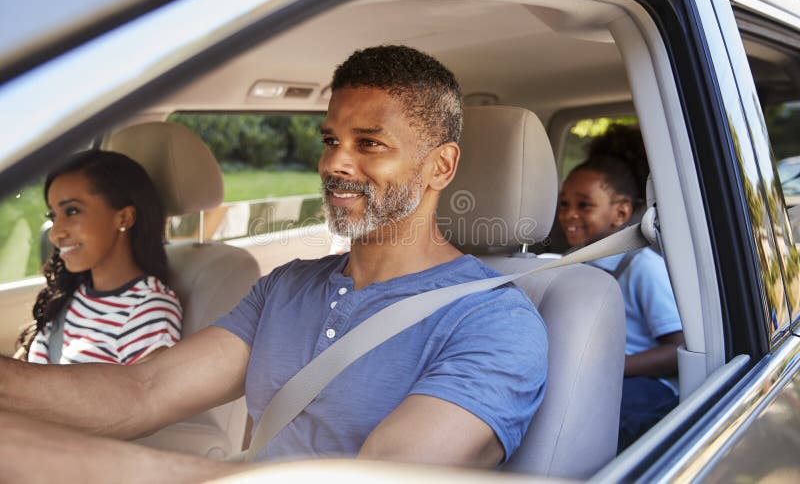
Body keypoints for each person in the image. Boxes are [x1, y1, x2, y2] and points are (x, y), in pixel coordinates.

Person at [0, 45, 547, 482]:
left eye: (369, 143)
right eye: (330, 139)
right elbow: (142, 391)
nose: (334, 161)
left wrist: (82, 465)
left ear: (440, 167)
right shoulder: (286, 286)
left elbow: (382, 476)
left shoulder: (494, 322)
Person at [556, 125, 683, 452]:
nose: (569, 215)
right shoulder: (567, 263)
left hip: (644, 385)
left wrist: (613, 368)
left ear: (622, 212)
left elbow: (677, 348)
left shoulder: (640, 267)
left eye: (584, 205)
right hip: (588, 377)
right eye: (564, 203)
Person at [15, 150, 181, 365]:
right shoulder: (72, 293)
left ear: (124, 217)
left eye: (72, 212)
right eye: (53, 216)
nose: (55, 234)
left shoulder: (148, 311)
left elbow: (144, 396)